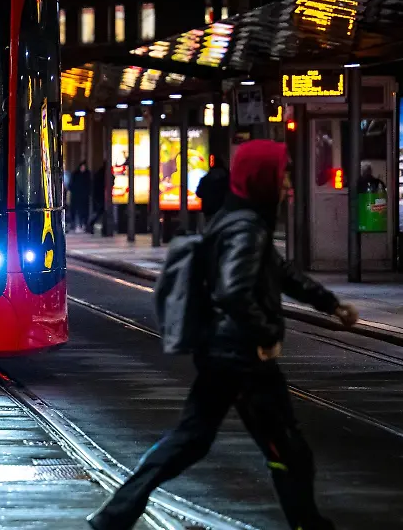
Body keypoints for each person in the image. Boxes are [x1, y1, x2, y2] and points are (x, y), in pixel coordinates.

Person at [87, 140, 359, 530]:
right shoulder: (247, 228)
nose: (286, 184)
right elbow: (234, 290)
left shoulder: (242, 221)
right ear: (262, 178)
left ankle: (114, 516)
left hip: (224, 352)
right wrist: (265, 334)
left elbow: (281, 274)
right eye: (281, 174)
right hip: (244, 357)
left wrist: (330, 305)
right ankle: (308, 524)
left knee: (192, 440)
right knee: (286, 447)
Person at [70, 162, 91, 232]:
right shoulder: (76, 175)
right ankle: (77, 225)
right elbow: (72, 185)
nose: (83, 168)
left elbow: (89, 185)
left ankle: (83, 225)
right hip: (76, 196)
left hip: (84, 197)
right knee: (77, 211)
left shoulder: (87, 175)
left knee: (84, 212)